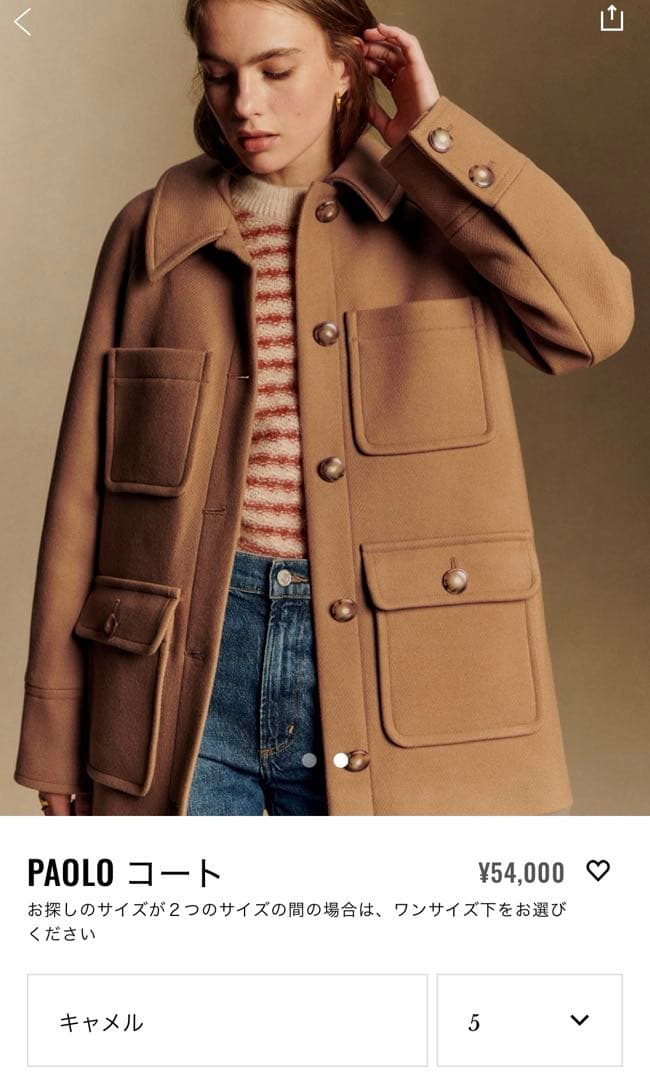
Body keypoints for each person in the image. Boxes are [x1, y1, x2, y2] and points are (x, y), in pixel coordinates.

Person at [16, 0, 634, 816]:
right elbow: (81, 500)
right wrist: (55, 738)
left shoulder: (439, 218)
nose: (245, 105)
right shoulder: (153, 234)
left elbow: (592, 323)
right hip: (182, 685)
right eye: (219, 75)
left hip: (400, 674)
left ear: (348, 67)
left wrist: (437, 137)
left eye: (276, 70)